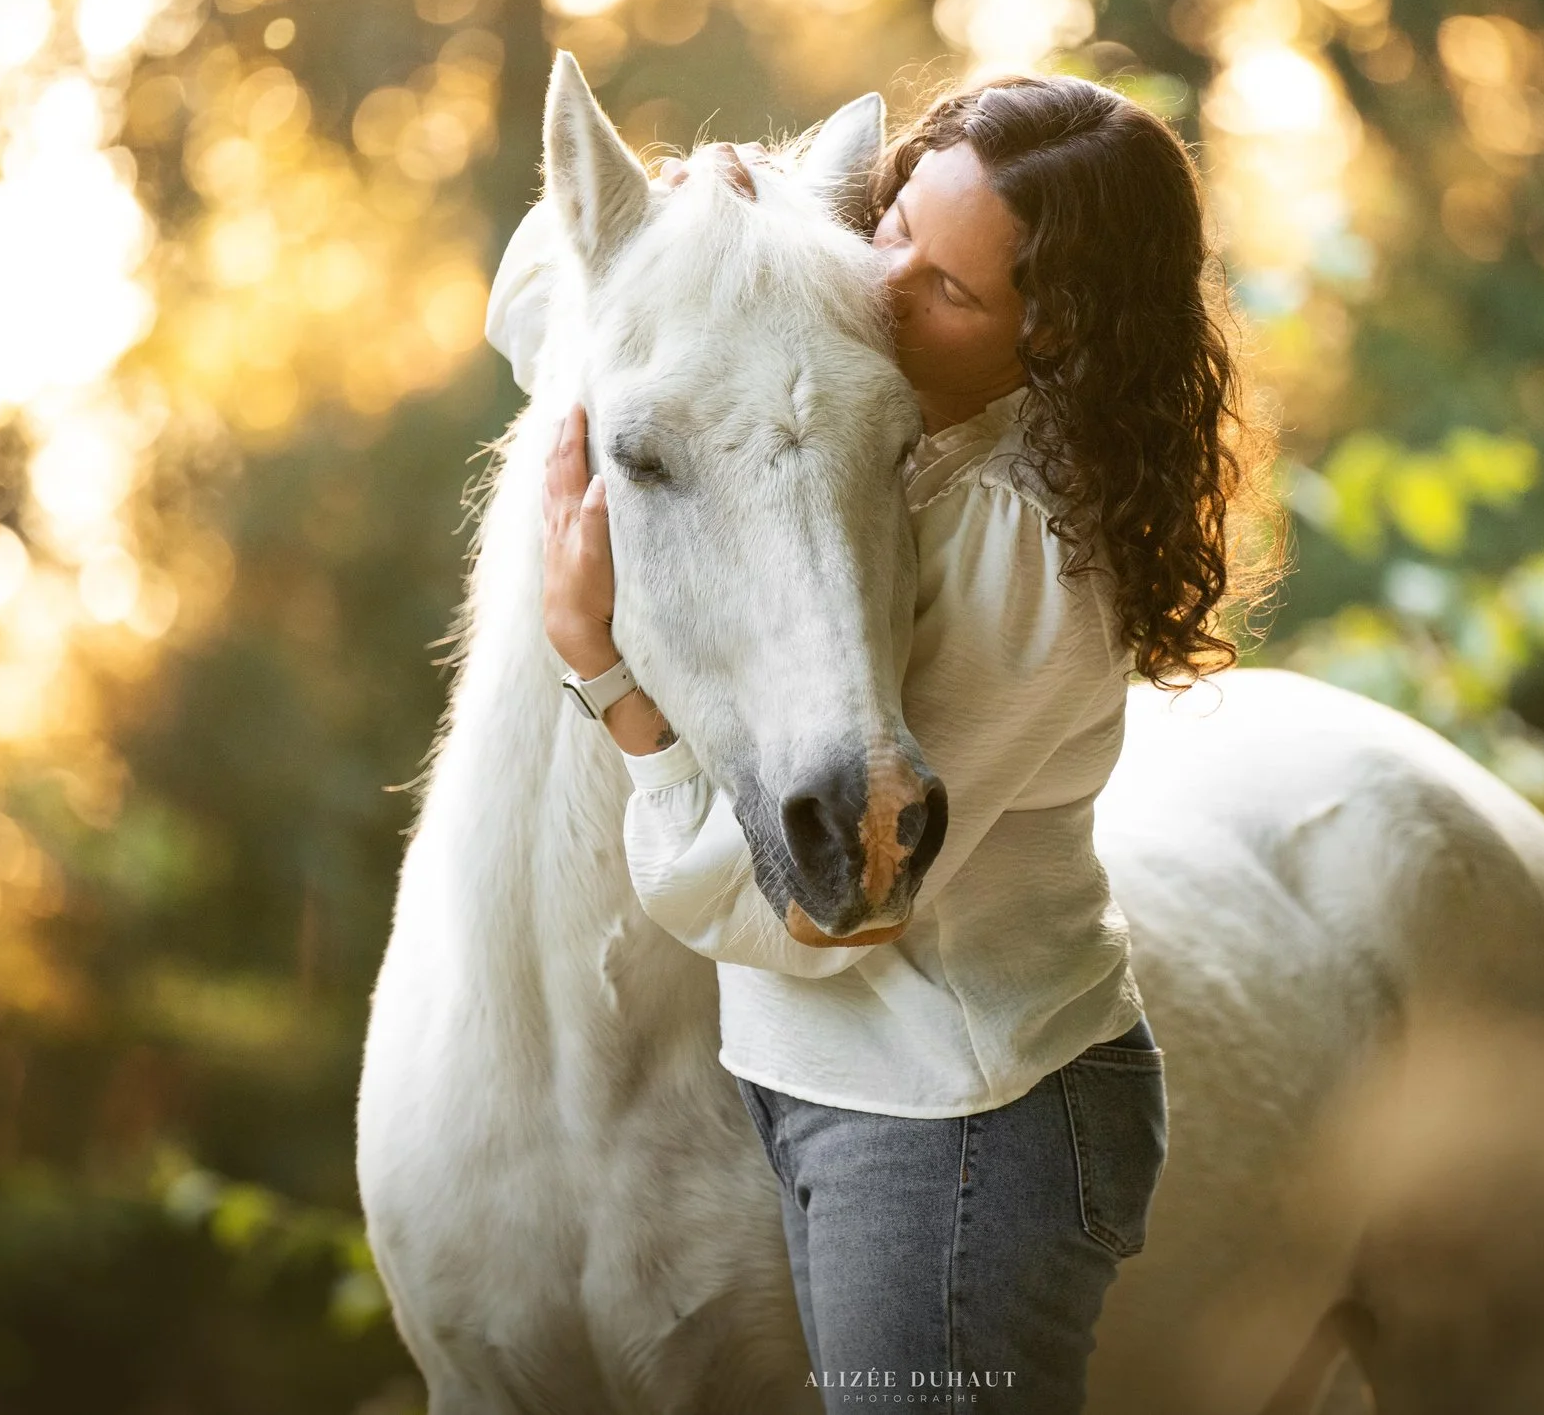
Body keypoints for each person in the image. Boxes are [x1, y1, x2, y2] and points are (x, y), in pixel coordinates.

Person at [538, 75, 1274, 1412]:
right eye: (890, 232)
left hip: (958, 1121)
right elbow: (547, 284)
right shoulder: (870, 405)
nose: (880, 290)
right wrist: (691, 214)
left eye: (948, 290)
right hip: (829, 1088)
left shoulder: (1027, 554)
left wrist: (607, 679)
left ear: (1052, 338)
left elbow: (836, 912)